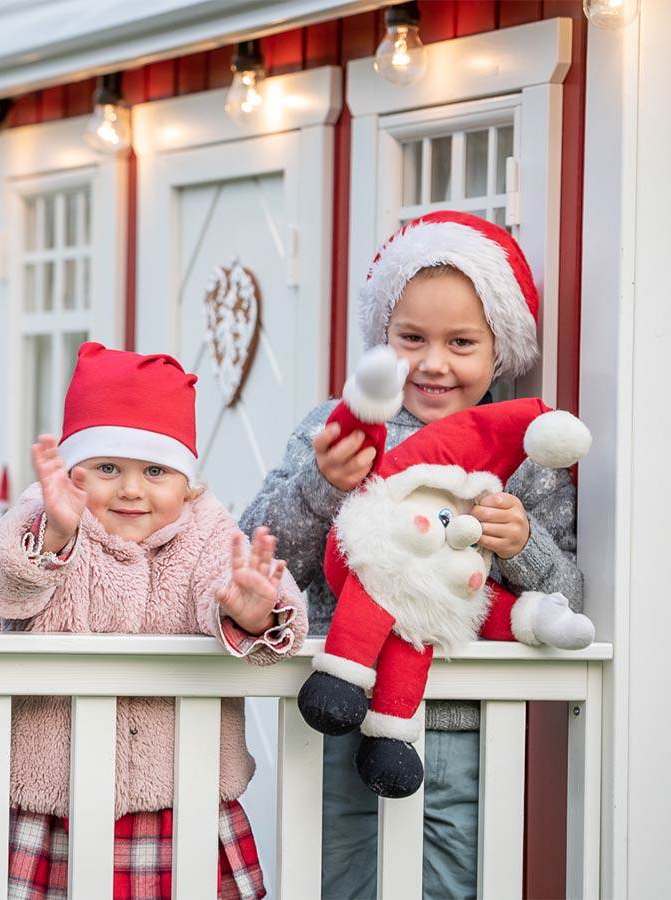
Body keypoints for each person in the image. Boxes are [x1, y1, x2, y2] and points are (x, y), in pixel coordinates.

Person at [239, 211, 586, 898]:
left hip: (462, 728)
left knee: (450, 883)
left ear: (500, 348)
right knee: (335, 878)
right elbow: (262, 552)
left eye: (461, 342)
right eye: (411, 339)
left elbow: (568, 597)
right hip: (339, 709)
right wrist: (323, 483)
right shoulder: (335, 429)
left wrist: (524, 545)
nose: (433, 362)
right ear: (382, 339)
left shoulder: (528, 455)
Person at [0, 341, 308, 899]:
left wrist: (248, 609)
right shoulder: (52, 514)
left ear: (187, 483)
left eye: (154, 470)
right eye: (107, 468)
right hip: (57, 803)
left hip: (184, 800)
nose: (130, 488)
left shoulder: (205, 531)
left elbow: (227, 580)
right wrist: (53, 534)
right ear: (73, 472)